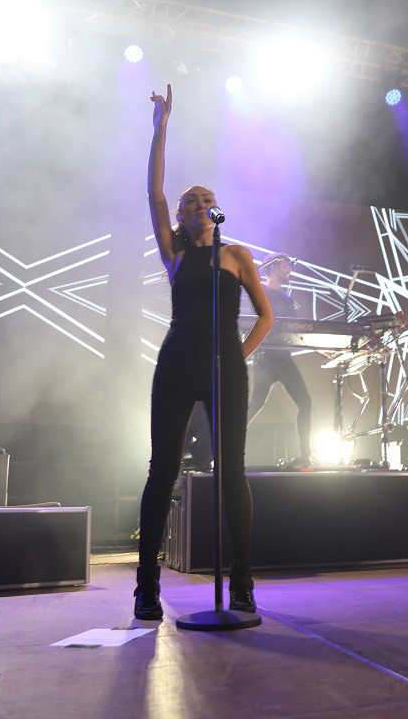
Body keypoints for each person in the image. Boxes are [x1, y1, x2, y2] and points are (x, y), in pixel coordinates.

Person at [134, 85, 275, 621]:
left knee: (232, 473)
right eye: (188, 199)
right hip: (176, 364)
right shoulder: (173, 252)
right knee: (161, 471)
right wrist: (160, 129)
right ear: (182, 213)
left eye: (204, 198)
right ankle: (147, 587)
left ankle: (242, 585)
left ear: (215, 210)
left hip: (225, 369)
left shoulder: (237, 255)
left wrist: (237, 355)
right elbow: (153, 195)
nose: (196, 203)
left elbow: (266, 315)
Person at [247, 255, 312, 467]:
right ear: (273, 268)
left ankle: (305, 456)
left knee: (305, 402)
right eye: (285, 266)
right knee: (255, 404)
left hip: (283, 358)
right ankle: (218, 446)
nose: (289, 271)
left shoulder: (287, 299)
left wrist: (320, 350)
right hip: (267, 357)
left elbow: (298, 331)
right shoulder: (260, 292)